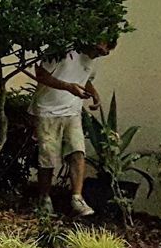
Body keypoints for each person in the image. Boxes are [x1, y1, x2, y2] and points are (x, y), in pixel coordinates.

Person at [30, 38, 115, 216]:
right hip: (47, 111)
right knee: (48, 158)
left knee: (78, 152)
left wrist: (95, 95)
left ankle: (77, 198)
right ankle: (44, 199)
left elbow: (86, 80)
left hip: (73, 112)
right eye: (100, 47)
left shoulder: (93, 62)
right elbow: (41, 75)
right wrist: (68, 87)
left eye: (105, 51)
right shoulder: (63, 50)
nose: (100, 53)